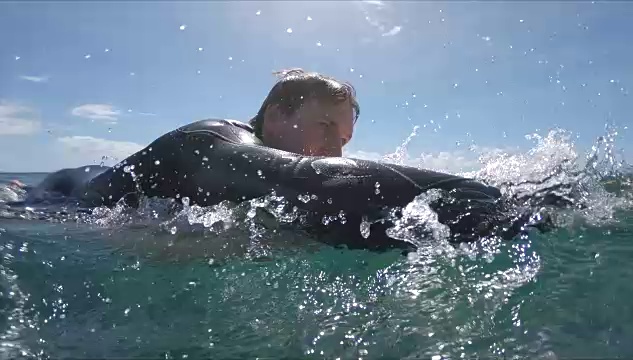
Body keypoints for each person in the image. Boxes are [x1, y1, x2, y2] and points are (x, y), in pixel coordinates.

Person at [13, 69, 538, 252]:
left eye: (345, 138)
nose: (335, 149)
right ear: (278, 112)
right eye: (326, 127)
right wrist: (503, 206)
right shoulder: (209, 142)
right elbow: (312, 181)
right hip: (52, 198)